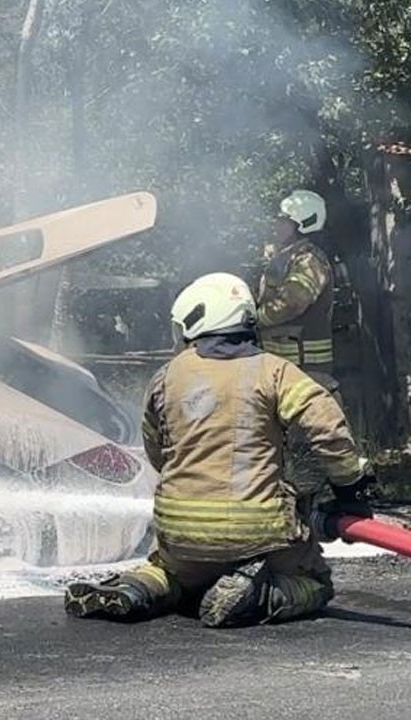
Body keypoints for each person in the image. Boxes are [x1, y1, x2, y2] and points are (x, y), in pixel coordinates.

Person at [64, 272, 375, 628]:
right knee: (315, 583)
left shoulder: (167, 376)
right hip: (258, 534)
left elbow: (157, 449)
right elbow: (328, 430)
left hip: (179, 534)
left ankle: (137, 590)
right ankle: (259, 595)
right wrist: (350, 487)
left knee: (170, 573)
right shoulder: (275, 372)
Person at [257, 189, 338, 394]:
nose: (277, 225)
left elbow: (291, 303)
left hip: (307, 370)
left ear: (303, 224)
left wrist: (255, 318)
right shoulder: (289, 257)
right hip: (287, 367)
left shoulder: (309, 260)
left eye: (284, 221)